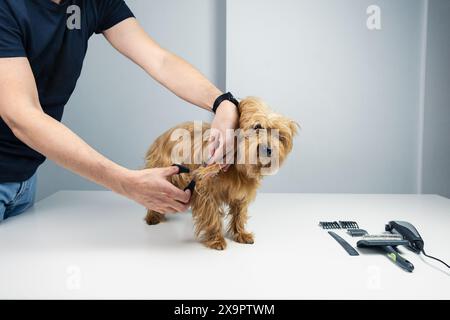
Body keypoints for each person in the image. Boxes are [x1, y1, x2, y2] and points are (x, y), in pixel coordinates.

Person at [0, 0, 239, 221]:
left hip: (25, 178)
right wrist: (124, 182)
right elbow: (23, 117)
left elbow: (160, 61)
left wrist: (222, 102)